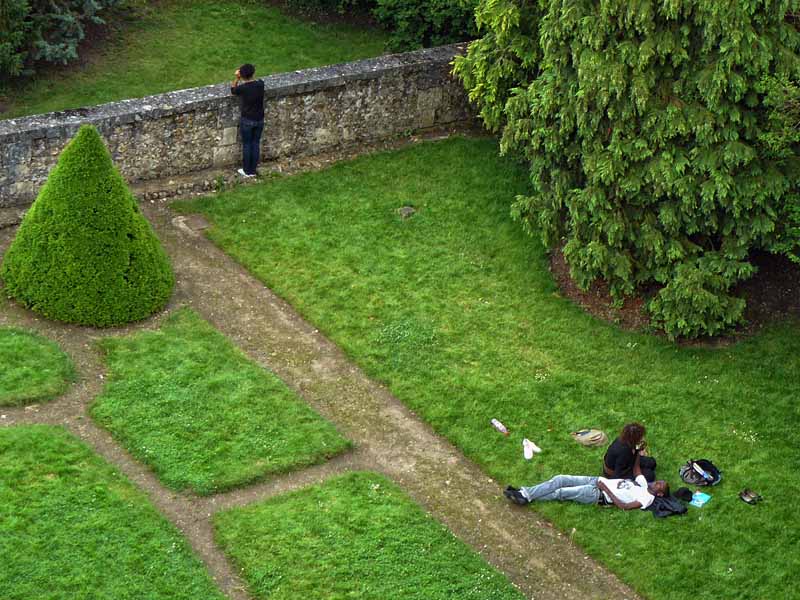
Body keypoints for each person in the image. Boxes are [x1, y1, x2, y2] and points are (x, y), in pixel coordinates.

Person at [504, 454, 669, 510]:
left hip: (598, 494)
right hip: (597, 481)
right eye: (658, 481)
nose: (656, 482)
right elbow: (637, 471)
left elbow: (624, 507)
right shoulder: (643, 484)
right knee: (560, 478)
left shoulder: (647, 499)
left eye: (660, 484)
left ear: (660, 493)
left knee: (561, 493)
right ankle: (525, 494)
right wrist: (638, 453)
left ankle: (525, 495)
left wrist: (606, 488)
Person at [231, 63, 265, 178]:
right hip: (259, 119)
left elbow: (233, 90)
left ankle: (247, 171)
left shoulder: (243, 88)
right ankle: (253, 170)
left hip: (247, 120)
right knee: (255, 144)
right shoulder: (260, 84)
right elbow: (258, 81)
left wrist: (237, 78)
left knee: (247, 145)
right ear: (253, 73)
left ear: (242, 75)